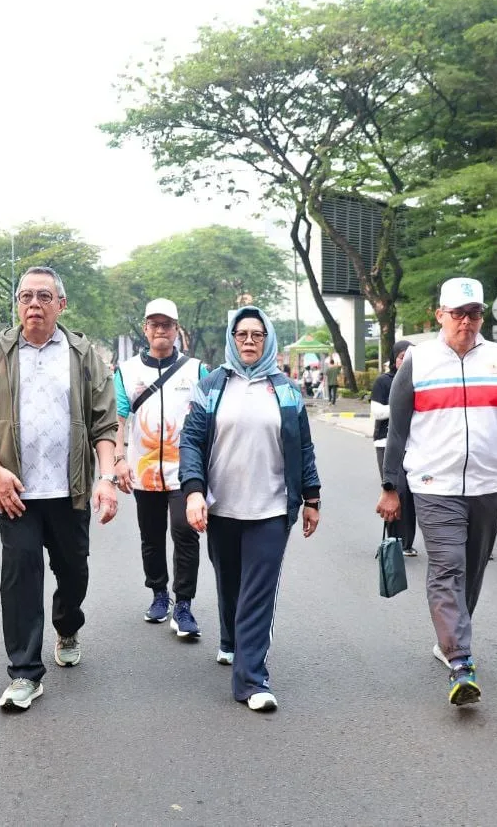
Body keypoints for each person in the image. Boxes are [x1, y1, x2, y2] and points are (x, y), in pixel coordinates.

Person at [377, 278, 497, 707]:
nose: (466, 322)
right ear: (439, 315)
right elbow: (398, 429)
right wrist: (391, 487)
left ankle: (450, 638)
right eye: (457, 313)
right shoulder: (418, 363)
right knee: (447, 567)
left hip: (487, 484)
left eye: (474, 313)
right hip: (433, 484)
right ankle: (461, 661)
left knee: (473, 570)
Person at [0, 266, 119, 711]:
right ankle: (24, 673)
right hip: (16, 491)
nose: (34, 304)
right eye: (26, 296)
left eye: (44, 296)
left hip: (70, 491)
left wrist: (105, 478)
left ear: (61, 304)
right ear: (17, 304)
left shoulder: (83, 354)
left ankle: (67, 625)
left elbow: (103, 421)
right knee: (20, 577)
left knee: (74, 573)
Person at [180, 306, 320, 712]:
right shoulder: (210, 386)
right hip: (221, 506)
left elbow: (304, 448)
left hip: (272, 508)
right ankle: (231, 639)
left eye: (257, 335)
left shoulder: (288, 390)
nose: (248, 341)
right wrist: (193, 491)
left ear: (268, 340)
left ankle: (252, 679)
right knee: (229, 581)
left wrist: (311, 497)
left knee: (258, 592)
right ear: (231, 337)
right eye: (242, 334)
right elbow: (190, 442)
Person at [113, 298, 208, 635]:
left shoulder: (197, 370)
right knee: (151, 536)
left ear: (176, 329)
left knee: (185, 532)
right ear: (145, 329)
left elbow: (207, 419)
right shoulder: (126, 371)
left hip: (186, 472)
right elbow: (118, 419)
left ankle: (184, 604)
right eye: (154, 324)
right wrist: (119, 460)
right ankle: (158, 593)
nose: (160, 330)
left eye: (167, 324)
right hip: (144, 470)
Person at [371, 339, 416, 557]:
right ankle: (392, 541)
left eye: (410, 357)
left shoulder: (419, 379)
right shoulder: (383, 381)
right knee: (395, 490)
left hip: (413, 444)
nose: (406, 361)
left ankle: (406, 542)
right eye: (402, 357)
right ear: (394, 359)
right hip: (386, 443)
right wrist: (400, 406)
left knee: (411, 494)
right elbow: (377, 412)